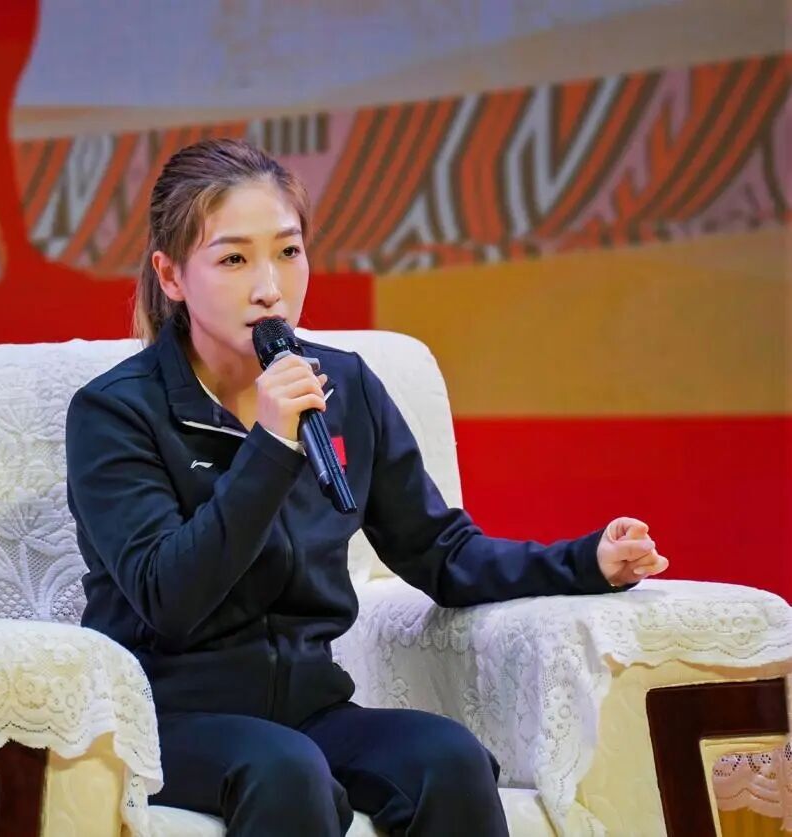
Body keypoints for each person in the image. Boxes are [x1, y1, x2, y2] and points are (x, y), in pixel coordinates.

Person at [65, 138, 668, 837]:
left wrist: (585, 561)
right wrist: (270, 446)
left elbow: (440, 551)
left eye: (288, 252)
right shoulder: (116, 411)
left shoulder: (343, 385)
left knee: (447, 758)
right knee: (287, 771)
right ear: (171, 275)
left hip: (309, 711)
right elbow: (169, 599)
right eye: (233, 259)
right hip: (165, 717)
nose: (270, 287)